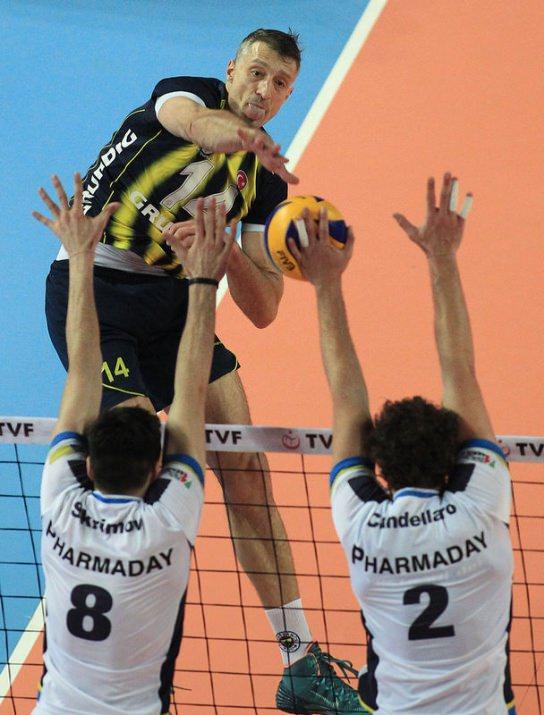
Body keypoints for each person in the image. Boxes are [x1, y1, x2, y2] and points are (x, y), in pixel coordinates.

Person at [43, 29, 363, 713]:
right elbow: (199, 127)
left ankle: (299, 660)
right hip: (95, 288)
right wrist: (242, 139)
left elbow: (265, 308)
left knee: (245, 467)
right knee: (134, 456)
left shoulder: (263, 180)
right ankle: (107, 658)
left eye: (280, 84)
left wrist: (225, 251)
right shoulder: (183, 97)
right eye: (257, 73)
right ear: (232, 69)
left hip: (176, 298)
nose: (264, 91)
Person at [291, 174, 516, 714]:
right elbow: (460, 372)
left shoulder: (365, 524)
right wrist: (442, 259)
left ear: (381, 467)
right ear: (453, 459)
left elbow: (346, 400)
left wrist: (324, 283)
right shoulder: (479, 505)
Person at [32, 174, 234, 714]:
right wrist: (203, 280)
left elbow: (83, 373)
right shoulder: (163, 523)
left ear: (88, 467)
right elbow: (190, 390)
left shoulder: (62, 504)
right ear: (155, 470)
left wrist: (77, 259)